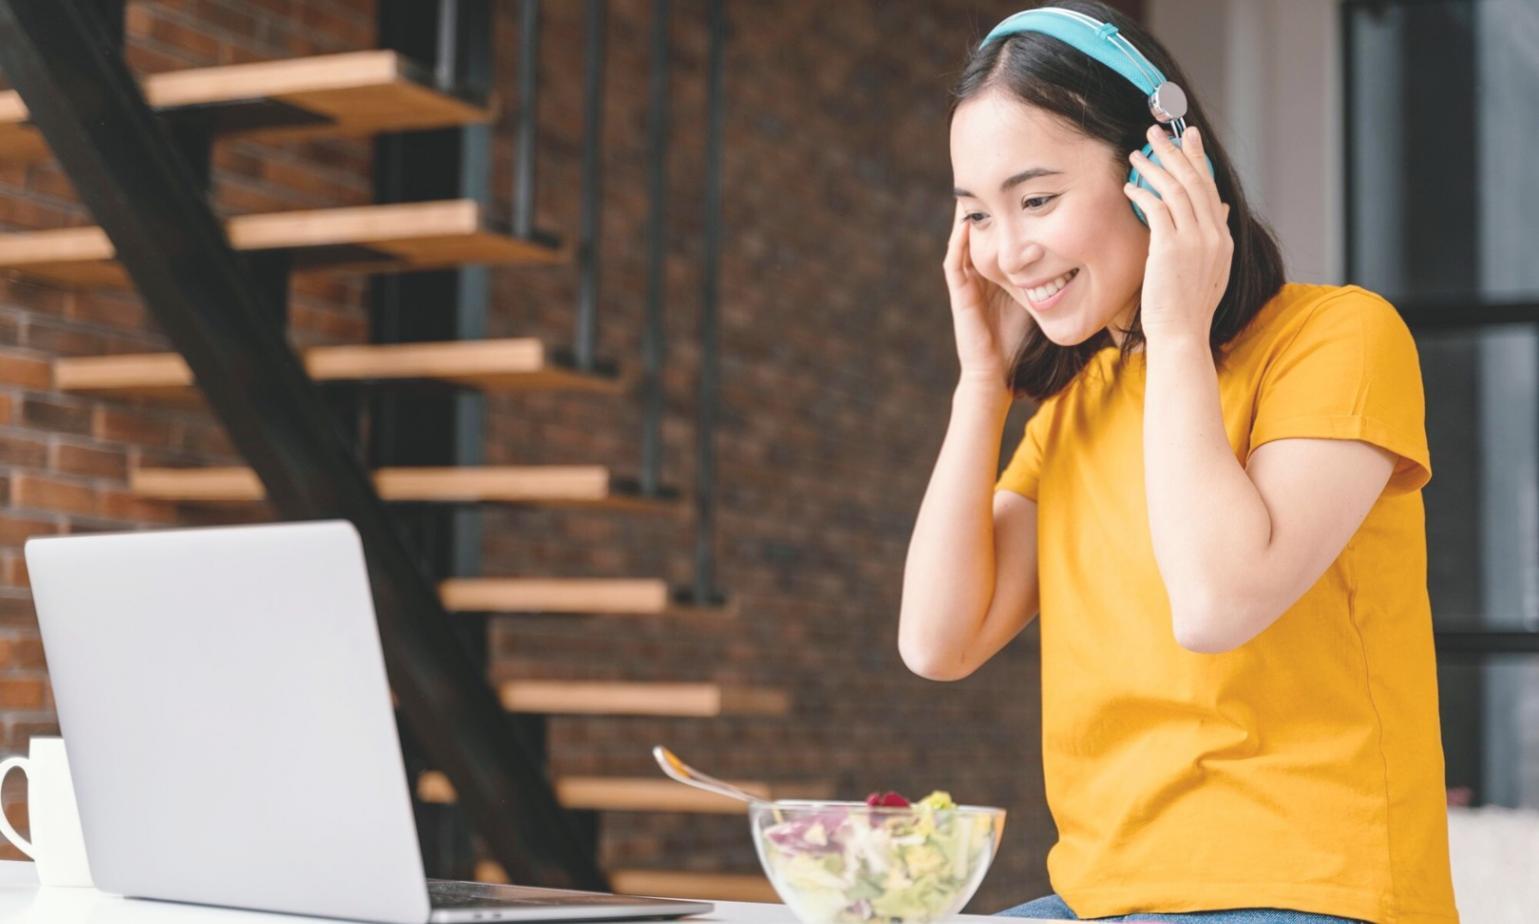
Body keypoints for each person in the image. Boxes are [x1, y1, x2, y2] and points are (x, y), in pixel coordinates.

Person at [897, 3, 1460, 923]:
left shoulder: (1339, 339)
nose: (1006, 251)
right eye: (976, 217)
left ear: (1164, 170)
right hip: (1105, 902)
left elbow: (1213, 604)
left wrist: (1174, 334)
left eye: (1035, 200)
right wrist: (979, 383)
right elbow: (936, 642)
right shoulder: (1074, 406)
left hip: (1313, 893)